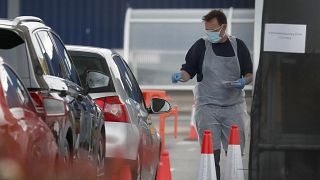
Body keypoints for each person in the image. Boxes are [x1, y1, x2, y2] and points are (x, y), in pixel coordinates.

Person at [171, 10, 252, 180]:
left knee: (235, 153)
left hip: (234, 108)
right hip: (207, 107)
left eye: (213, 30)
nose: (210, 34)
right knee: (211, 153)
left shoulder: (239, 46)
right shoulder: (201, 46)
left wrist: (244, 81)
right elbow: (188, 70)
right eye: (207, 30)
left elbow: (249, 74)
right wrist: (181, 76)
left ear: (224, 27)